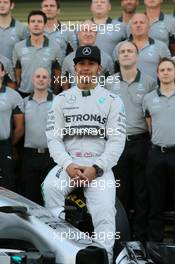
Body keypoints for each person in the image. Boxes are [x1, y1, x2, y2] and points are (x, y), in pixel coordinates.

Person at [42, 45, 126, 264]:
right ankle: (60, 254)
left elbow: (117, 141)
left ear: (99, 68)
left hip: (99, 167)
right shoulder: (61, 100)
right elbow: (53, 138)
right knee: (49, 186)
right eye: (82, 64)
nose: (86, 68)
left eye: (91, 64)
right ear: (74, 68)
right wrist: (68, 165)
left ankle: (103, 258)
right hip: (69, 163)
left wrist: (96, 168)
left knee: (106, 211)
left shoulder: (112, 100)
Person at [105, 41, 156, 241]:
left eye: (130, 51)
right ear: (117, 57)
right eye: (122, 51)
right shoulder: (109, 83)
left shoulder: (150, 82)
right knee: (120, 192)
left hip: (141, 142)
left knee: (142, 193)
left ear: (137, 56)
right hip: (116, 142)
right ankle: (122, 237)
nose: (126, 54)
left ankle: (140, 237)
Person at [143, 58, 175, 242]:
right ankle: (155, 242)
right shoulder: (149, 98)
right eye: (162, 70)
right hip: (156, 154)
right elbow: (149, 126)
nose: (165, 72)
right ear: (157, 73)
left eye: (169, 69)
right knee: (155, 201)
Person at [20, 68, 55, 205]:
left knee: (50, 195)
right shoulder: (23, 102)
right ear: (33, 80)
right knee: (30, 197)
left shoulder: (58, 101)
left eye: (44, 77)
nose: (41, 79)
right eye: (38, 76)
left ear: (49, 81)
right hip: (29, 156)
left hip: (51, 155)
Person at [13, 10, 62, 97]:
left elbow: (57, 74)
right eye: (33, 21)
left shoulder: (55, 47)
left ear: (45, 25)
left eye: (39, 21)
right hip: (24, 93)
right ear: (28, 25)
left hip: (47, 94)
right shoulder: (18, 47)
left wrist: (55, 92)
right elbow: (17, 72)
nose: (36, 24)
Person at [114, 13, 171, 80]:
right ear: (130, 28)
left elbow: (169, 70)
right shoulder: (120, 47)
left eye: (142, 22)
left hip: (153, 88)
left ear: (148, 26)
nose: (138, 25)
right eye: (135, 23)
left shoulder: (161, 47)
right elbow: (115, 71)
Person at [61, 20, 114, 89]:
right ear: (78, 34)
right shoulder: (68, 59)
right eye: (85, 30)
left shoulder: (107, 58)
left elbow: (111, 83)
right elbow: (65, 82)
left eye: (91, 31)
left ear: (96, 34)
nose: (88, 34)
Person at [0, 61, 24, 191]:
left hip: (4, 146)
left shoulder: (13, 95)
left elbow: (20, 128)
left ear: (3, 72)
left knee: (7, 183)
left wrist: (9, 144)